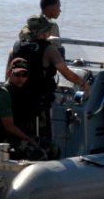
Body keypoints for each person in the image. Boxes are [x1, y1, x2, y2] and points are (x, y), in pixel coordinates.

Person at [11, 15, 90, 143]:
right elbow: (66, 73)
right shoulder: (49, 49)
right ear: (43, 33)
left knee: (22, 134)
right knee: (43, 138)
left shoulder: (17, 47)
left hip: (18, 99)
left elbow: (9, 74)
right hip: (39, 102)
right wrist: (83, 84)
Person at [0, 58, 47, 160]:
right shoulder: (3, 94)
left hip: (13, 137)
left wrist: (31, 137)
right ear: (9, 73)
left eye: (24, 75)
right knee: (39, 155)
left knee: (53, 149)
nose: (21, 78)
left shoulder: (20, 93)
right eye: (17, 74)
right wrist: (29, 139)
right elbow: (9, 126)